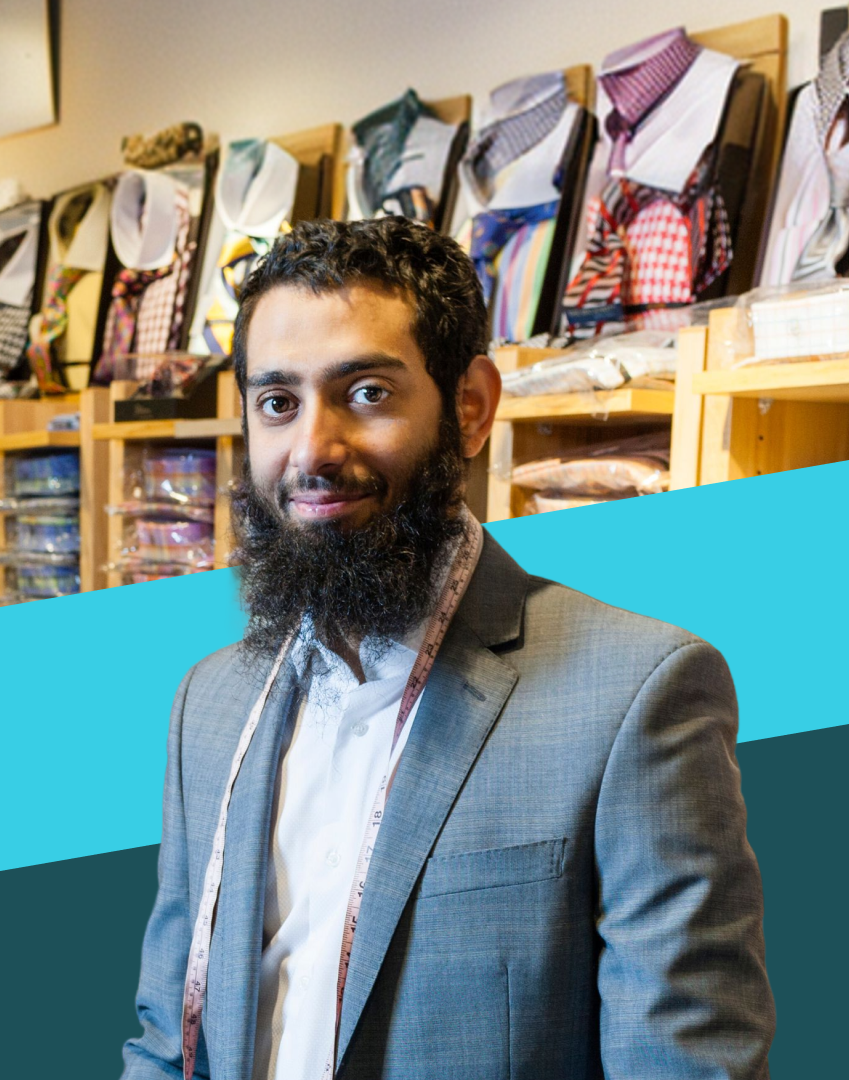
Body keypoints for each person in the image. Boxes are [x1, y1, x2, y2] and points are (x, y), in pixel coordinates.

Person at [121, 217, 774, 1080]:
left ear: (470, 408)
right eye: (278, 402)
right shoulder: (209, 707)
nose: (313, 449)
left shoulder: (636, 697)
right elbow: (169, 1040)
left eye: (366, 393)